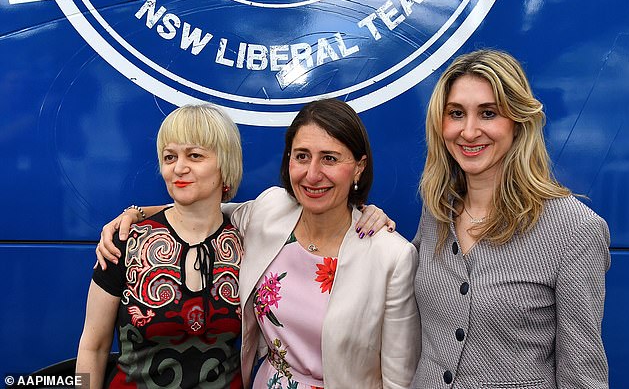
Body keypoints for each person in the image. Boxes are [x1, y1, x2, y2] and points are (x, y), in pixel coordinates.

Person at [96, 98, 420, 388]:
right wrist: (137, 214)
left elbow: (399, 378)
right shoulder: (272, 211)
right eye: (302, 156)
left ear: (359, 168)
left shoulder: (390, 256)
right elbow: (203, 209)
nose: (312, 173)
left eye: (330, 159)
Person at [411, 49, 610, 388]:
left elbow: (583, 376)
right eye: (456, 113)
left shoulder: (576, 230)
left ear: (518, 122)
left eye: (488, 113)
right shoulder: (436, 210)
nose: (469, 131)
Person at [77, 104, 245, 388]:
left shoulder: (249, 239)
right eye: (169, 157)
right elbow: (92, 347)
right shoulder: (125, 241)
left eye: (195, 155)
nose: (179, 168)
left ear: (225, 163)